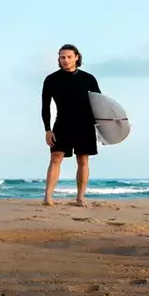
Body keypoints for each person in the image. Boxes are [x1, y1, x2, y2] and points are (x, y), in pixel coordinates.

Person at [41, 44, 102, 206]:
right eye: (62, 57)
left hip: (85, 124)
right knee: (55, 158)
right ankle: (48, 197)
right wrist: (47, 129)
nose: (65, 60)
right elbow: (45, 106)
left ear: (77, 57)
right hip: (62, 123)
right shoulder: (51, 79)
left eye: (69, 57)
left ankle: (80, 198)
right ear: (58, 59)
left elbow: (100, 104)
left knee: (83, 160)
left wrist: (105, 129)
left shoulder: (88, 79)